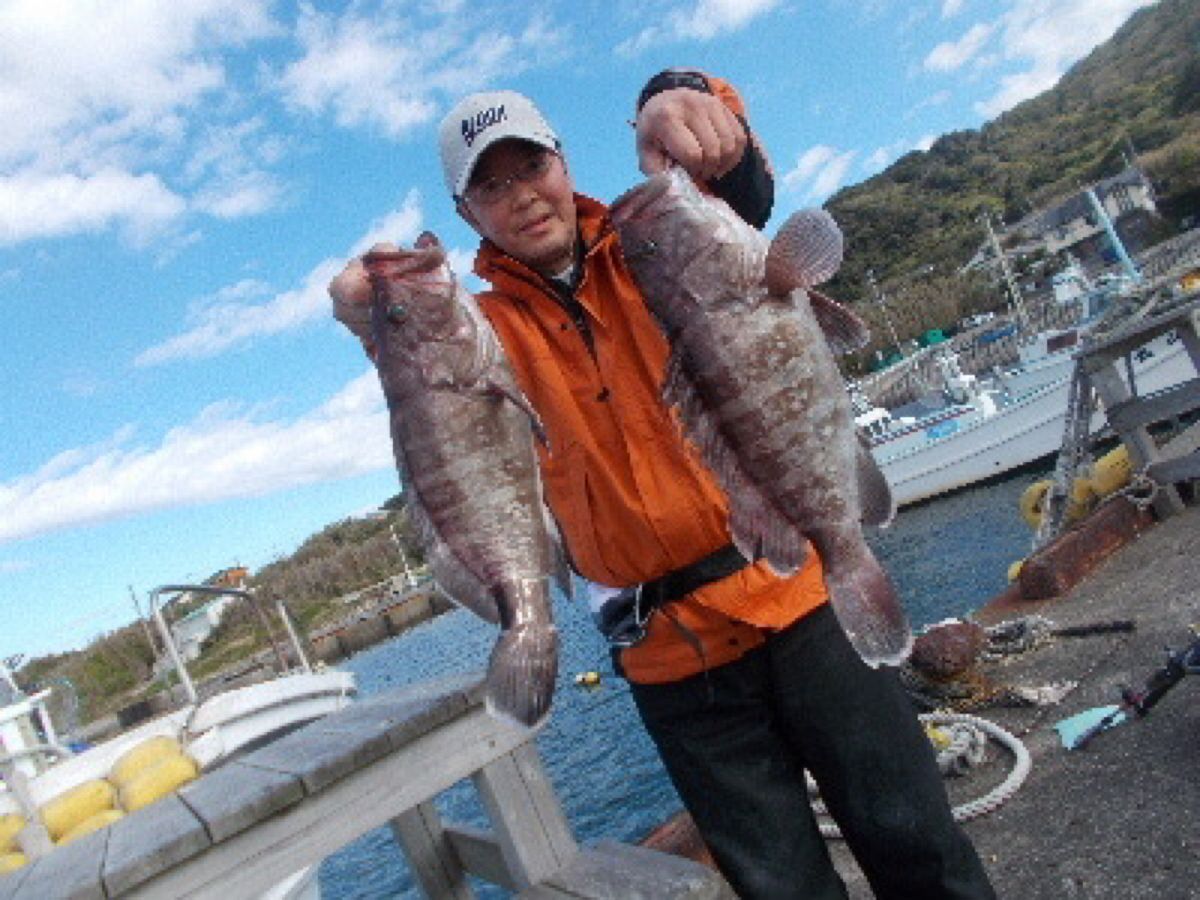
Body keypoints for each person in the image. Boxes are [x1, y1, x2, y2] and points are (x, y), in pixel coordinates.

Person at [331, 69, 996, 900]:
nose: (522, 197)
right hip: (671, 660)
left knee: (919, 843)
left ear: (564, 162)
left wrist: (679, 94)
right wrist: (369, 319)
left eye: (530, 167)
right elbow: (432, 389)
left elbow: (738, 180)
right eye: (490, 187)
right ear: (467, 214)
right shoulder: (483, 332)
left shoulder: (665, 239)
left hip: (797, 596)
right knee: (780, 885)